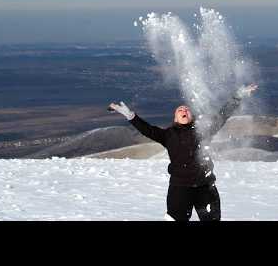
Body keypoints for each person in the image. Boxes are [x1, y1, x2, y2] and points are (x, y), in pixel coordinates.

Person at [108, 83, 258, 221]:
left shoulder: (203, 130)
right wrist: (131, 116)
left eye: (187, 109)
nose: (184, 110)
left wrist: (238, 96)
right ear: (175, 118)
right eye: (180, 110)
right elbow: (147, 129)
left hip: (205, 186)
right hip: (180, 188)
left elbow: (222, 115)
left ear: (191, 116)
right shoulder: (168, 135)